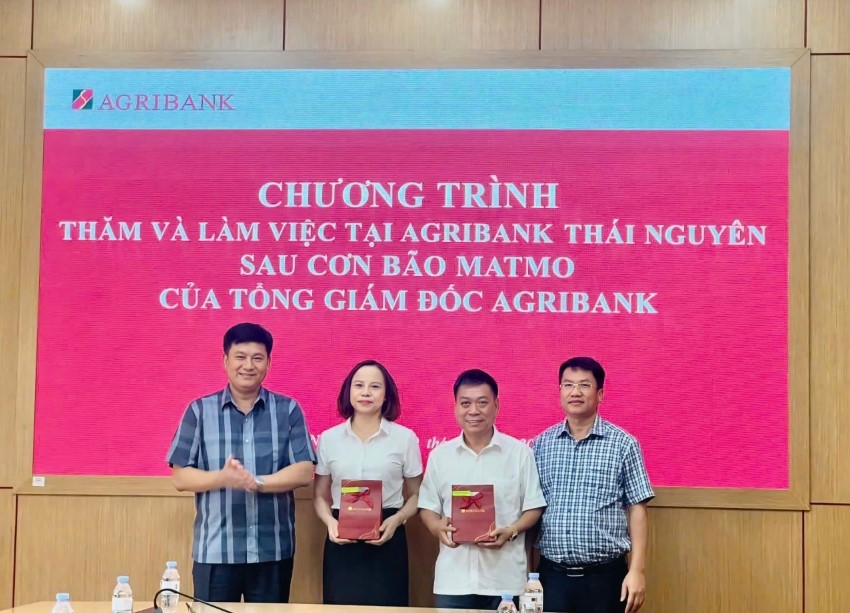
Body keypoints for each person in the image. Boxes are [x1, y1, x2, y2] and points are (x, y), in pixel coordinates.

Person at [166, 322, 316, 603]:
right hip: (216, 551)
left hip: (272, 550)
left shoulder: (288, 410)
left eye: (257, 358)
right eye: (240, 357)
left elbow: (304, 471)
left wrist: (256, 482)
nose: (248, 365)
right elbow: (180, 477)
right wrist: (222, 478)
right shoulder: (199, 411)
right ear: (225, 360)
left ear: (268, 363)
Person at [532, 356, 654, 613]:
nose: (575, 392)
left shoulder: (624, 444)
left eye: (584, 385)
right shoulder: (541, 444)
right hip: (552, 577)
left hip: (605, 578)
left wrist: (637, 571)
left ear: (600, 394)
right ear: (560, 392)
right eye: (568, 385)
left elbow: (638, 509)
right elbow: (533, 509)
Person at [418, 369, 546, 610]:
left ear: (496, 406)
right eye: (465, 403)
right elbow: (427, 506)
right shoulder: (440, 456)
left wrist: (511, 531)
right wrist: (436, 527)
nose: (474, 411)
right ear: (456, 407)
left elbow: (534, 506)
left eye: (482, 403)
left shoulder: (520, 454)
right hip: (453, 581)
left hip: (506, 581)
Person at [313, 359, 423, 606]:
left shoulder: (404, 438)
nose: (366, 393)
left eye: (375, 387)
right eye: (359, 385)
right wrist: (330, 522)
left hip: (388, 534)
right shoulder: (329, 439)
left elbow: (417, 495)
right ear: (348, 391)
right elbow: (319, 495)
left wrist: (397, 520)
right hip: (341, 537)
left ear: (386, 395)